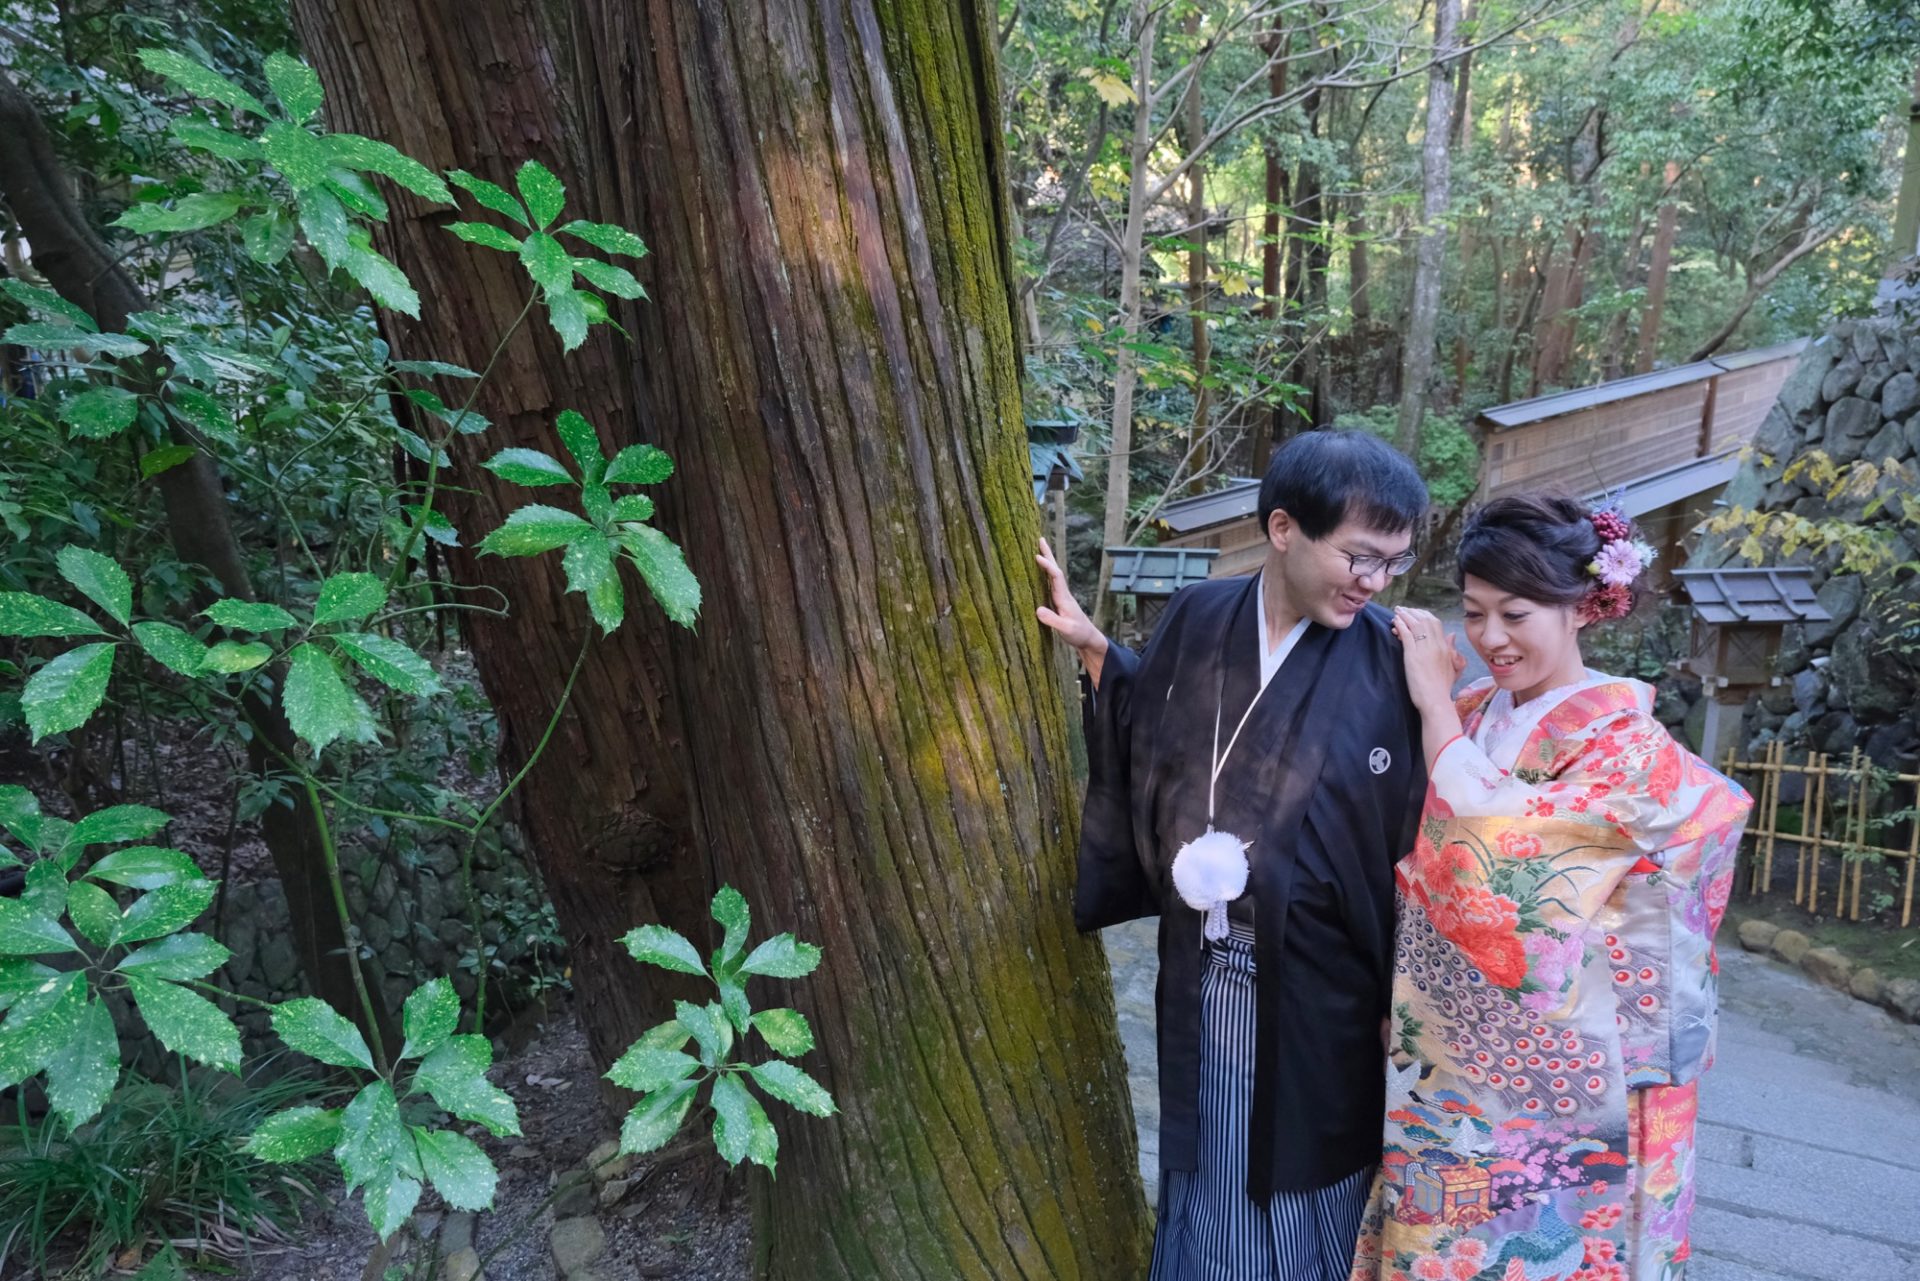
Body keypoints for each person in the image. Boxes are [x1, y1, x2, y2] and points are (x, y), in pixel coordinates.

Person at [1037, 430, 1434, 1281]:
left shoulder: (1393, 658)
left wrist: (1408, 995)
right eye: (1360, 557)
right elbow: (1159, 724)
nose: (1374, 583)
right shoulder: (1200, 614)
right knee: (1208, 1168)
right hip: (1208, 967)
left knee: (1303, 1181)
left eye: (1392, 564)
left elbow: (1425, 835)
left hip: (1327, 993)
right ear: (1284, 528)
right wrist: (1097, 652)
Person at [1351, 493, 1752, 1281]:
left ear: (1582, 607)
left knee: (1559, 1246)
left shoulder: (1624, 743)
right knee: (1447, 1232)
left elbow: (1487, 856)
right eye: (1474, 612)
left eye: (1517, 612)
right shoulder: (1477, 710)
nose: (1490, 637)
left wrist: (1433, 699)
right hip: (1464, 1057)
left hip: (1584, 1067)